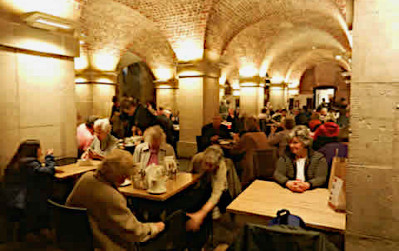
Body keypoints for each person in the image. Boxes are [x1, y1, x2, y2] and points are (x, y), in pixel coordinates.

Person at [66, 149, 165, 250]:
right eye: (125, 176)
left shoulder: (85, 178)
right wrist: (154, 227)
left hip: (73, 239)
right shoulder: (111, 197)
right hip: (101, 245)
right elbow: (134, 232)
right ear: (120, 177)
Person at [4, 140, 56, 241]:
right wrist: (49, 157)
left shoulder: (17, 162)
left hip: (13, 198)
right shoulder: (29, 163)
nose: (41, 151)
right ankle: (38, 231)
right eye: (39, 149)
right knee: (46, 198)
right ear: (34, 151)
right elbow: (48, 172)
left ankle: (38, 230)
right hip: (23, 200)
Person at [185, 146, 229, 249]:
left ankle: (204, 242)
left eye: (211, 165)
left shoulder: (221, 165)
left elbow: (217, 193)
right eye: (206, 164)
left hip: (218, 191)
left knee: (206, 213)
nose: (208, 167)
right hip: (200, 185)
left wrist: (201, 213)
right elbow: (189, 178)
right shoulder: (197, 159)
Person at [273, 126, 328, 192]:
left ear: (305, 143)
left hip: (311, 193)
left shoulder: (319, 158)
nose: (291, 146)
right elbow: (278, 174)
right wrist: (288, 183)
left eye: (295, 143)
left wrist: (307, 185)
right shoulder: (285, 157)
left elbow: (321, 178)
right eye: (290, 143)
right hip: (289, 192)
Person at [229, 116, 271, 186]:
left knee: (230, 162)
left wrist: (236, 140)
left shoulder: (247, 136)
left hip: (251, 166)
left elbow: (234, 151)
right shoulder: (263, 134)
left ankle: (235, 186)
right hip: (265, 165)